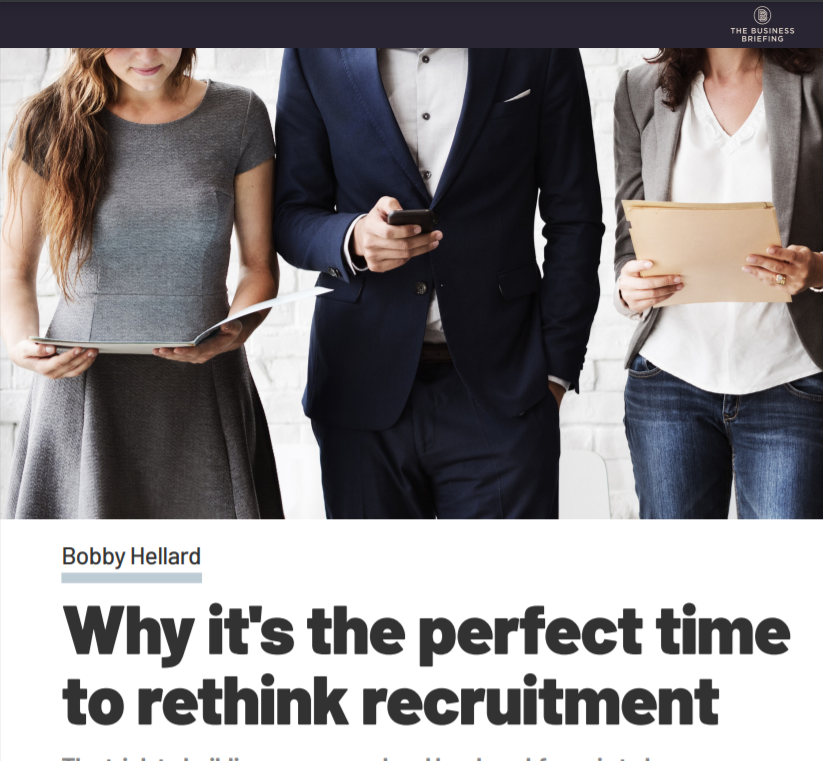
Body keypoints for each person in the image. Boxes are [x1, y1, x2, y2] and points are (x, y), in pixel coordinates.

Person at [274, 48, 603, 519]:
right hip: (360, 388)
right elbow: (291, 213)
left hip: (504, 392)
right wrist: (352, 238)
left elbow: (575, 218)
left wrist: (554, 373)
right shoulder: (314, 47)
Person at [2, 47, 284, 519]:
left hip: (202, 388)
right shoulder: (46, 119)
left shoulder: (240, 115)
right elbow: (14, 270)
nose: (148, 54)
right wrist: (18, 345)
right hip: (84, 391)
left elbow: (259, 268)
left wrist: (237, 329)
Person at [614, 48, 823, 519]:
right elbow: (630, 240)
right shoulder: (639, 88)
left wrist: (819, 268)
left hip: (790, 381)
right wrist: (628, 288)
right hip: (669, 382)